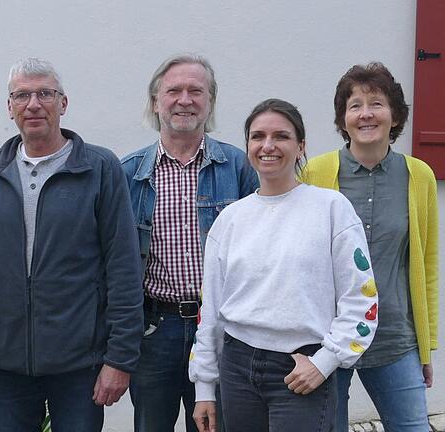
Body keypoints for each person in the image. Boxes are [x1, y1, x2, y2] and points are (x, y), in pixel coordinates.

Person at [0, 57, 143, 432]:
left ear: (62, 104)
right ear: (10, 107)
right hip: (7, 363)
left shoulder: (99, 168)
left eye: (45, 94)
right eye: (22, 95)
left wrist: (120, 359)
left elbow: (124, 266)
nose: (33, 104)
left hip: (79, 364)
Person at [189, 98, 378, 432]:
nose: (268, 146)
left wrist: (325, 362)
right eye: (258, 136)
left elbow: (361, 300)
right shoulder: (230, 220)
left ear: (301, 145)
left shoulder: (331, 210)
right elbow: (212, 310)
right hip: (237, 368)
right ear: (247, 145)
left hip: (300, 369)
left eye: (281, 136)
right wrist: (204, 387)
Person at [120, 53, 258, 432]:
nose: (185, 99)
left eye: (196, 91)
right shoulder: (127, 173)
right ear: (155, 102)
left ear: (210, 100)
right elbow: (111, 262)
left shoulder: (239, 167)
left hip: (221, 329)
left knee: (217, 426)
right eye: (173, 91)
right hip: (154, 330)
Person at [302, 62, 439, 431]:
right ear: (343, 119)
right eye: (355, 105)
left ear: (394, 115)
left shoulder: (419, 175)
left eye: (376, 103)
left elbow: (425, 265)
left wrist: (426, 348)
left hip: (395, 339)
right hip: (328, 340)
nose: (366, 114)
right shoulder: (315, 173)